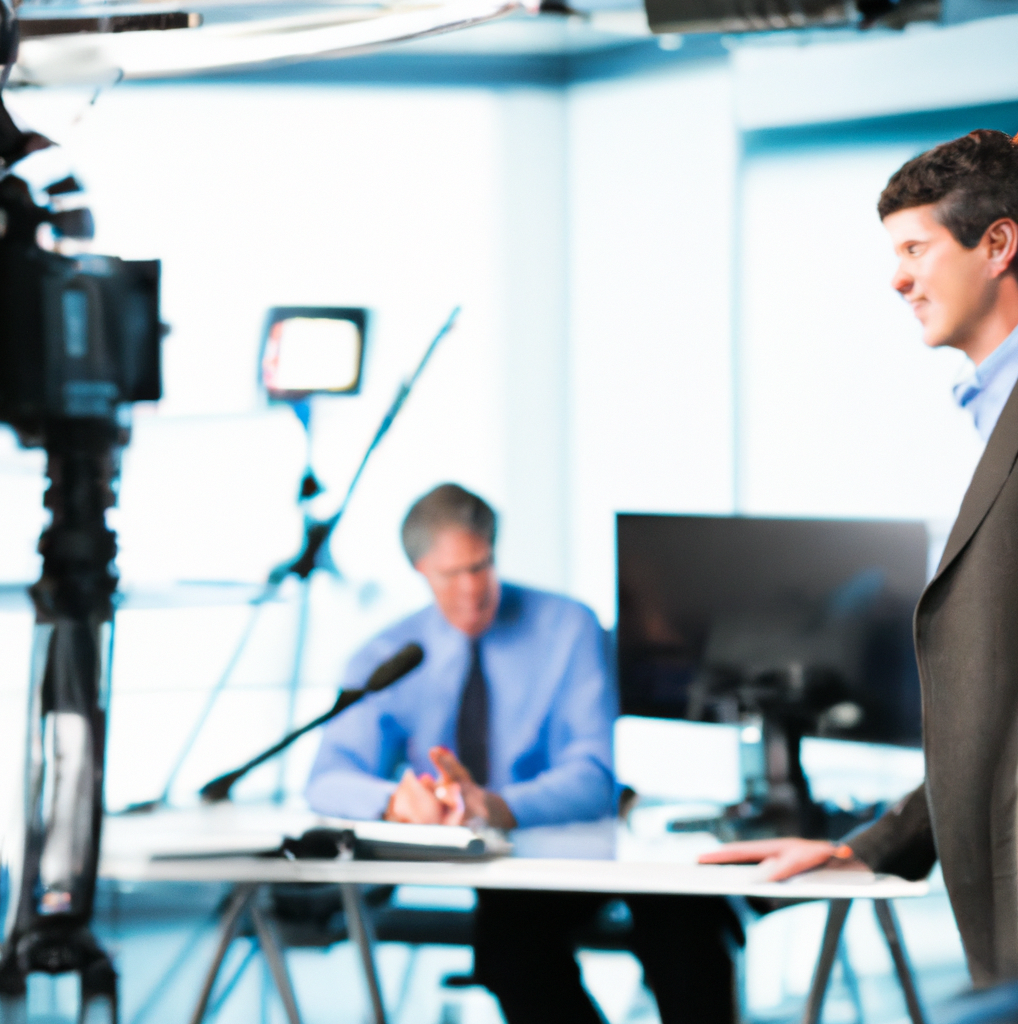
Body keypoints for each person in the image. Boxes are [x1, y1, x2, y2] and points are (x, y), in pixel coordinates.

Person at [700, 129, 1018, 990]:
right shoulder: (992, 414)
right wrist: (873, 845)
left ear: (997, 245)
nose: (898, 278)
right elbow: (997, 715)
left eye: (916, 249)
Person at [308, 483, 740, 1024]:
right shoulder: (389, 655)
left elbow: (592, 778)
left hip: (576, 844)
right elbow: (328, 776)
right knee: (509, 952)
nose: (472, 589)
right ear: (420, 571)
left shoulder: (567, 627)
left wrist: (493, 805)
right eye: (451, 574)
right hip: (492, 869)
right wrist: (399, 802)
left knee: (688, 920)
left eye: (482, 565)